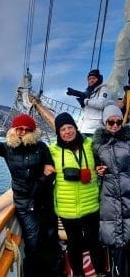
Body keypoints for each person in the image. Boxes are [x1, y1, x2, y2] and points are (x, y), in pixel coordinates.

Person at [0, 113, 60, 276]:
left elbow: (51, 171)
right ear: (13, 130)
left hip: (44, 199)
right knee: (33, 242)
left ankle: (56, 271)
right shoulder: (8, 148)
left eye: (25, 129)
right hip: (24, 203)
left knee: (50, 237)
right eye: (18, 129)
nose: (21, 132)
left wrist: (40, 184)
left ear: (31, 131)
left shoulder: (41, 147)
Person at [49, 112, 101, 276]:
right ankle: (78, 274)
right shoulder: (53, 150)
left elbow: (104, 160)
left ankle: (100, 272)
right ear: (58, 132)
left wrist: (100, 168)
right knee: (74, 243)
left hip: (91, 204)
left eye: (69, 127)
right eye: (62, 129)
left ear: (75, 127)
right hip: (67, 207)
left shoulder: (90, 144)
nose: (67, 132)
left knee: (94, 242)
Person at [93, 105, 130, 276]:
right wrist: (97, 171)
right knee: (117, 247)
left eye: (118, 122)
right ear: (104, 122)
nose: (115, 125)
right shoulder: (97, 145)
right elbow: (92, 169)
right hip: (109, 200)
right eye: (111, 122)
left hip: (128, 197)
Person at [74, 69, 114, 136]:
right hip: (85, 127)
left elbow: (102, 104)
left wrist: (85, 101)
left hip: (95, 129)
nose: (91, 80)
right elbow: (89, 110)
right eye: (89, 79)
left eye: (94, 78)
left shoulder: (104, 89)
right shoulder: (91, 92)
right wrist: (82, 105)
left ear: (99, 79)